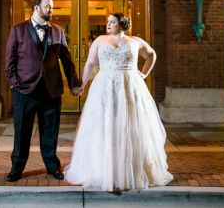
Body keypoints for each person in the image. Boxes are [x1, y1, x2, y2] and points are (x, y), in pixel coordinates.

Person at [64, 12, 173, 191]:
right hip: (105, 88)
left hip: (130, 87)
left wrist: (144, 73)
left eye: (112, 22)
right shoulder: (100, 40)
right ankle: (103, 170)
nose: (108, 25)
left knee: (129, 125)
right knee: (105, 125)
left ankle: (131, 170)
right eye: (107, 22)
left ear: (121, 24)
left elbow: (151, 54)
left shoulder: (135, 41)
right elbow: (90, 64)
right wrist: (81, 85)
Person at [5, 0, 82, 182]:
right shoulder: (17, 29)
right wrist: (14, 82)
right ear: (36, 8)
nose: (51, 10)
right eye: (48, 6)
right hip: (25, 90)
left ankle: (52, 167)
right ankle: (17, 168)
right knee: (22, 131)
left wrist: (74, 83)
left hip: (51, 90)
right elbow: (10, 60)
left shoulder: (58, 31)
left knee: (50, 130)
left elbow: (66, 60)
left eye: (52, 7)